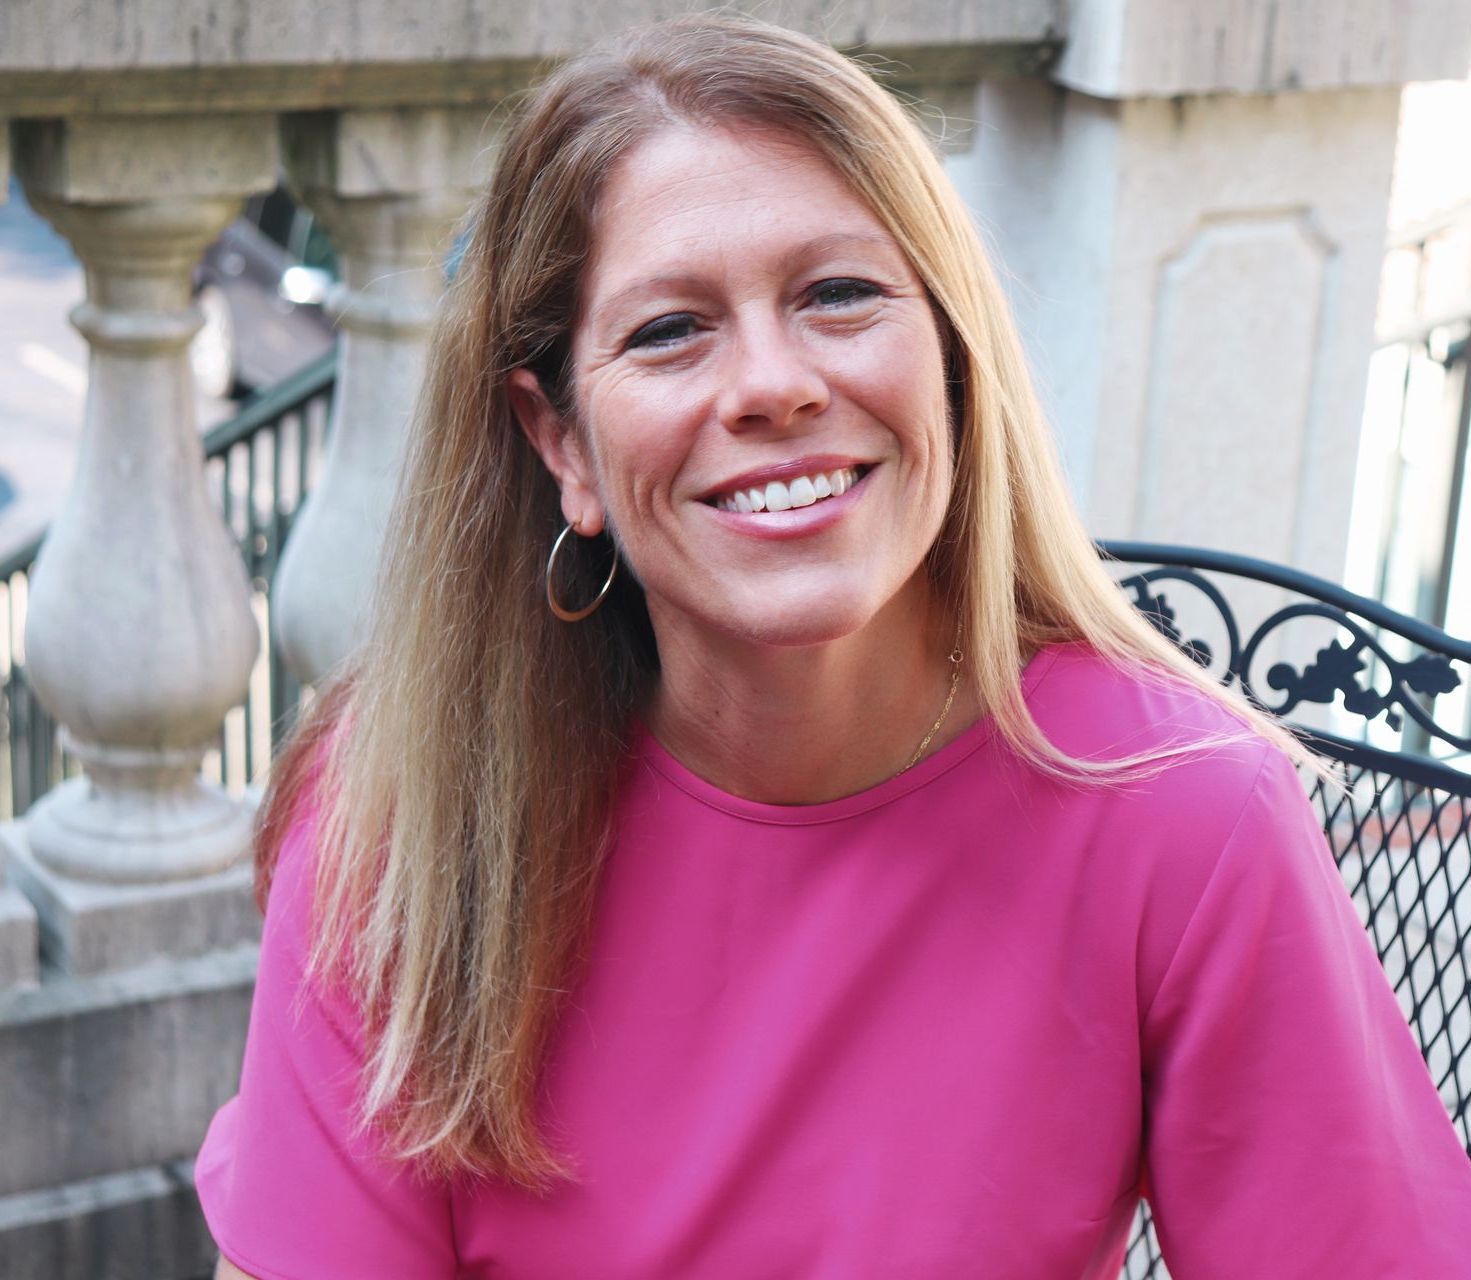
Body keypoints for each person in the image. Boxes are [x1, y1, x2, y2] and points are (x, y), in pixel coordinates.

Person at [196, 14, 1471, 1279]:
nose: (773, 382)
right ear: (563, 443)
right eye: (669, 329)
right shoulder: (398, 808)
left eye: (840, 294)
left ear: (955, 361)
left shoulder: (1180, 809)